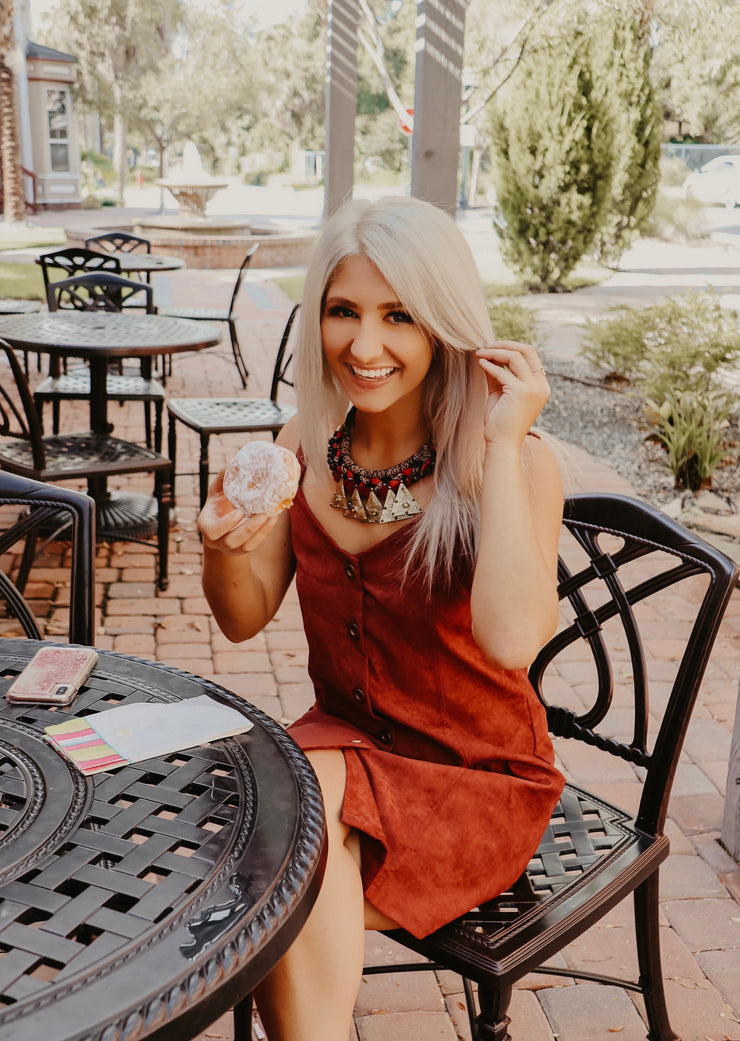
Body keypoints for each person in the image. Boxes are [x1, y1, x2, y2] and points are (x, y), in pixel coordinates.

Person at [198, 194, 566, 1041]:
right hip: (342, 752)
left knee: (273, 841)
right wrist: (221, 547)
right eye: (343, 311)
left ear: (443, 322)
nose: (365, 346)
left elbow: (512, 640)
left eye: (399, 314)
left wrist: (507, 444)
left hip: (475, 780)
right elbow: (242, 619)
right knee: (273, 825)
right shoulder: (303, 442)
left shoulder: (505, 460)